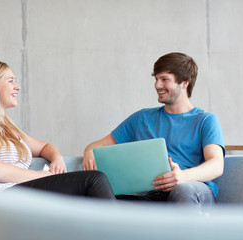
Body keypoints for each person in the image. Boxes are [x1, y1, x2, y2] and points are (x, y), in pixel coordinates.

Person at [83, 52, 224, 207]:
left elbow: (217, 164)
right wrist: (90, 151)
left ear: (185, 83)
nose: (157, 85)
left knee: (182, 190)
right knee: (101, 198)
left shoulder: (205, 120)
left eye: (164, 79)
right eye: (156, 79)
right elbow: (96, 146)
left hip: (194, 190)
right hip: (155, 196)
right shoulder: (141, 119)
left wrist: (183, 176)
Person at [0, 61, 115, 199]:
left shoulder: (9, 129)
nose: (17, 86)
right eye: (10, 81)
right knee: (94, 180)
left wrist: (57, 158)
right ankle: (118, 229)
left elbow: (44, 147)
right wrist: (39, 176)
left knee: (88, 195)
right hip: (3, 196)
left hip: (24, 191)